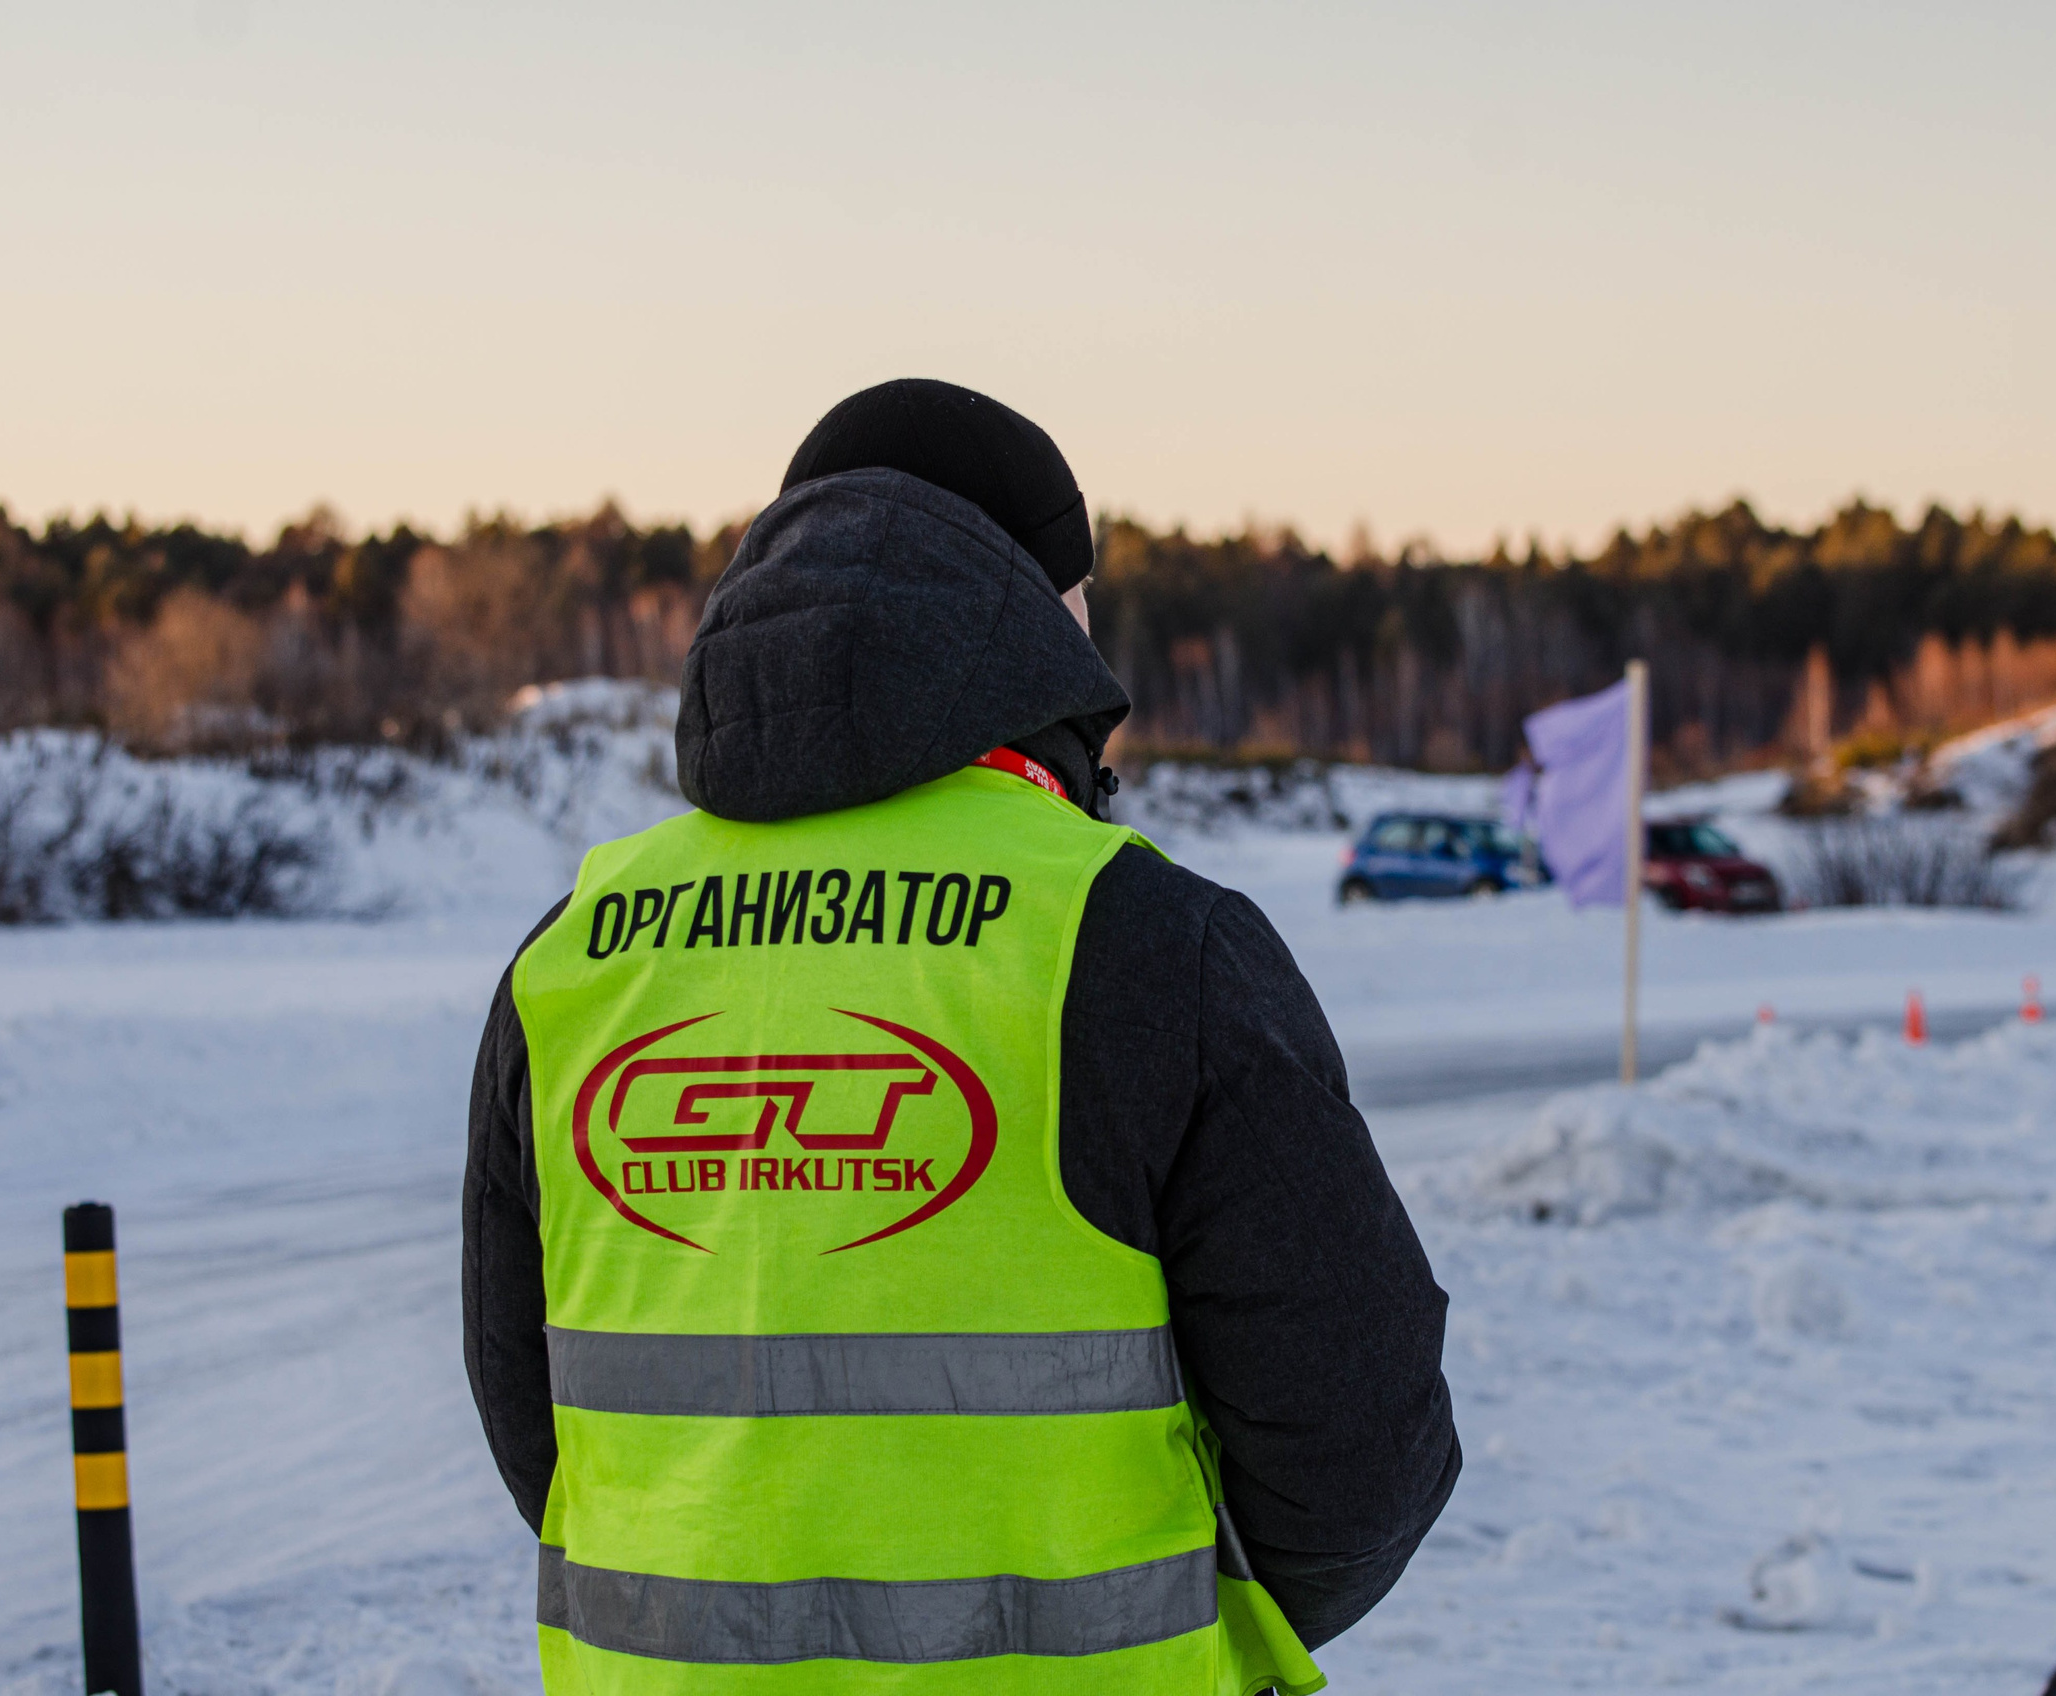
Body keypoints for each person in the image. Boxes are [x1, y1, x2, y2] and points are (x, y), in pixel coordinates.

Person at [463, 379, 1459, 1693]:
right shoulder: (1137, 940)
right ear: (1049, 621)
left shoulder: (576, 956)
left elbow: (537, 1422)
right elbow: (1359, 1450)